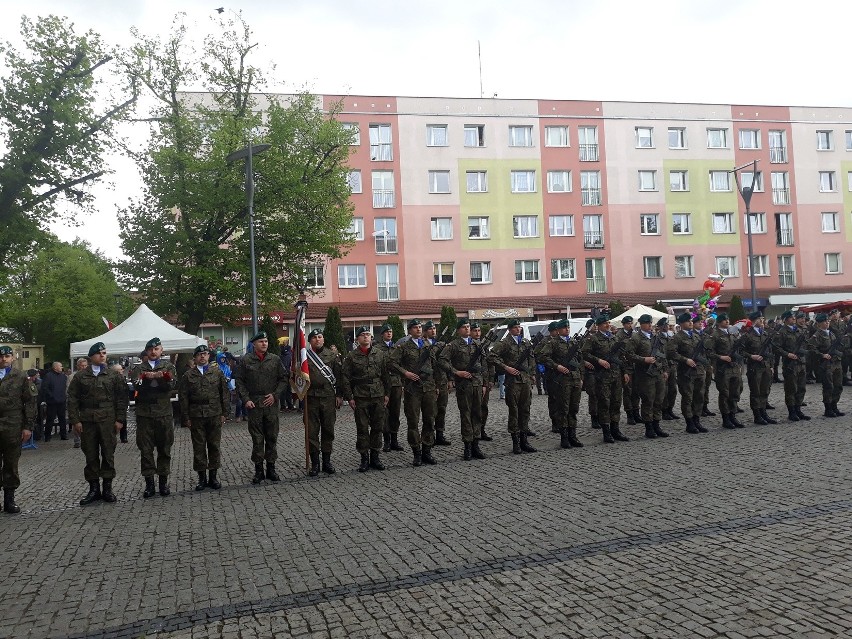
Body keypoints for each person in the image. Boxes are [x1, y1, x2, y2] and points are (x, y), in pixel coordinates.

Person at [67, 343, 128, 505]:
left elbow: (121, 399)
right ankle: (94, 489)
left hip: (108, 420)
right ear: (91, 356)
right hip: (88, 421)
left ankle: (107, 488)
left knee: (108, 453)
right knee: (91, 454)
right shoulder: (80, 377)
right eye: (99, 353)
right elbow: (72, 399)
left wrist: (120, 419)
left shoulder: (113, 375)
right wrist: (75, 420)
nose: (102, 356)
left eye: (104, 353)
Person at [236, 331, 290, 484]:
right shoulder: (246, 360)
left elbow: (283, 378)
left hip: (271, 403)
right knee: (257, 439)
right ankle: (259, 470)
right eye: (261, 342)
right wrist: (245, 399)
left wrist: (275, 395)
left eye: (266, 341)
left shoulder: (275, 359)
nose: (264, 344)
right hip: (254, 404)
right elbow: (239, 381)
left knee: (272, 437)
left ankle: (271, 468)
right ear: (254, 344)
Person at [130, 337, 178, 498]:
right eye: (150, 349)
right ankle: (149, 484)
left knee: (164, 448)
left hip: (163, 413)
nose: (153, 352)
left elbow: (172, 385)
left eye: (156, 349)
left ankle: (163, 482)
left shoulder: (169, 366)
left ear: (161, 350)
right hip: (145, 415)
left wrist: (161, 376)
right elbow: (135, 385)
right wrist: (145, 377)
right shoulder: (139, 368)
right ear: (147, 351)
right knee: (146, 450)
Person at [179, 344, 229, 491]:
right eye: (199, 354)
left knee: (214, 445)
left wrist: (225, 413)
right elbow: (183, 397)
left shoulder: (217, 373)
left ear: (209, 356)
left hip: (214, 414)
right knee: (199, 447)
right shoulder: (188, 375)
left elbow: (224, 394)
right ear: (194, 357)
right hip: (196, 415)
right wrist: (186, 417)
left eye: (205, 354)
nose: (202, 356)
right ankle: (202, 478)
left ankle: (213, 477)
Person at [389, 319, 438, 467]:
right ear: (409, 330)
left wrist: (436, 384)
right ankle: (416, 452)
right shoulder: (403, 347)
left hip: (428, 387)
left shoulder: (428, 345)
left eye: (420, 327)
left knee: (429, 420)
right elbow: (391, 363)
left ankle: (427, 451)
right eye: (415, 327)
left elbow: (434, 365)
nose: (418, 329)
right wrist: (406, 373)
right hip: (413, 389)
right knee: (413, 421)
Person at [341, 327, 389, 472]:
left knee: (377, 427)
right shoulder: (351, 356)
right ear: (357, 339)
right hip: (360, 395)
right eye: (362, 335)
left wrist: (387, 394)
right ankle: (364, 458)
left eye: (368, 335)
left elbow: (386, 375)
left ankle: (375, 456)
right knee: (362, 428)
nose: (366, 337)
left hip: (378, 395)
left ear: (371, 338)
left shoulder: (379, 354)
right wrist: (349, 397)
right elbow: (345, 377)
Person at [439, 319, 486, 461]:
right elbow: (442, 360)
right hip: (463, 385)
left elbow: (484, 364)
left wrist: (485, 383)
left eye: (468, 327)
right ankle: (467, 446)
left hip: (477, 383)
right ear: (459, 330)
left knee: (477, 414)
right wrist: (456, 372)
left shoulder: (478, 344)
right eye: (464, 327)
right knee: (466, 415)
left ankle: (476, 444)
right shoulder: (453, 345)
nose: (467, 329)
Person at [489, 319, 537, 454]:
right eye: (515, 327)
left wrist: (532, 373)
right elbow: (491, 356)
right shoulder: (504, 343)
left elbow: (531, 358)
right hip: (513, 382)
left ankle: (524, 440)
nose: (518, 329)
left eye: (519, 327)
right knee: (514, 412)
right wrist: (506, 367)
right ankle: (516, 442)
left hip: (525, 380)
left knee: (525, 410)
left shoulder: (525, 342)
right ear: (510, 329)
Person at [581, 315, 629, 444]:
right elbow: (584, 353)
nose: (608, 325)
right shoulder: (593, 338)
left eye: (608, 322)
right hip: (602, 377)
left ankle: (616, 429)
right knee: (604, 403)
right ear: (599, 325)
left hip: (616, 375)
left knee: (616, 402)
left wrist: (624, 372)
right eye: (605, 323)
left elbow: (621, 356)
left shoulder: (614, 337)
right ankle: (606, 431)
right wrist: (598, 360)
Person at [0, 345, 36, 513]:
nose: (3, 359)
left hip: (13, 424)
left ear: (12, 358)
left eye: (7, 356)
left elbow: (29, 402)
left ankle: (9, 500)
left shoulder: (20, 376)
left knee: (11, 463)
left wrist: (28, 427)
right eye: (1, 356)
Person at [537, 318, 584, 448]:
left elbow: (580, 361)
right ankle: (564, 438)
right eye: (564, 328)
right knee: (563, 408)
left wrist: (581, 377)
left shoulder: (574, 342)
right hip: (562, 380)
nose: (567, 329)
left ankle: (572, 435)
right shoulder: (553, 343)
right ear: (558, 330)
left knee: (574, 408)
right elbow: (542, 357)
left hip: (574, 379)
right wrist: (556, 366)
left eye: (568, 327)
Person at [304, 329, 343, 476]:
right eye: (314, 338)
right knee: (312, 431)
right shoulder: (304, 357)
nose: (317, 340)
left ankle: (327, 461)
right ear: (310, 341)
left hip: (328, 397)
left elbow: (339, 377)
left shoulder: (332, 356)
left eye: (320, 337)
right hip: (311, 397)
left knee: (328, 429)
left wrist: (339, 395)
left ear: (323, 340)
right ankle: (315, 463)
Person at [627, 314, 669, 439]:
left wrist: (665, 370)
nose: (650, 325)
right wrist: (643, 359)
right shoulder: (635, 338)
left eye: (651, 323)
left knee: (659, 400)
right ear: (641, 324)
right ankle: (649, 427)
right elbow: (628, 354)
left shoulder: (655, 337)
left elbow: (662, 354)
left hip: (658, 373)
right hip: (645, 374)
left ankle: (657, 425)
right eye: (647, 323)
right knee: (648, 401)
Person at [706, 314, 745, 429]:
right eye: (724, 320)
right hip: (722, 368)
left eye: (728, 319)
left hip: (733, 367)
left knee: (734, 392)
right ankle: (726, 418)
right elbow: (709, 352)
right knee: (724, 393)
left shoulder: (731, 333)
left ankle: (733, 415)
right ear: (718, 322)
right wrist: (720, 357)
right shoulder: (714, 335)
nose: (727, 321)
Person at [671, 313, 708, 434]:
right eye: (688, 321)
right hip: (685, 373)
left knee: (699, 396)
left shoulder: (696, 336)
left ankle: (697, 420)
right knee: (688, 397)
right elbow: (672, 353)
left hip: (698, 371)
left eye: (691, 321)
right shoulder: (677, 337)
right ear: (681, 324)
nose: (691, 323)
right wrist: (685, 360)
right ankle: (689, 423)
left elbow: (703, 353)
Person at [739, 312, 777, 425]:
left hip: (765, 366)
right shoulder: (747, 335)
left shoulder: (764, 334)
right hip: (754, 368)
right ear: (755, 321)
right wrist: (751, 356)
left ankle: (764, 413)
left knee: (765, 391)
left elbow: (770, 351)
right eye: (760, 319)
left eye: (763, 318)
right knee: (756, 392)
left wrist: (771, 366)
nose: (763, 321)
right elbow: (740, 351)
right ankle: (757, 415)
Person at [773, 311, 810, 422]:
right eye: (791, 317)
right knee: (791, 388)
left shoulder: (798, 330)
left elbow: (805, 344)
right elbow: (776, 348)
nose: (793, 319)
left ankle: (798, 409)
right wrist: (787, 354)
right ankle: (792, 412)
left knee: (801, 388)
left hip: (801, 362)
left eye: (793, 317)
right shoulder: (782, 332)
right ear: (785, 319)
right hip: (790, 364)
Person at [808, 313, 845, 417]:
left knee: (838, 386)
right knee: (829, 386)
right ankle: (828, 409)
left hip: (836, 363)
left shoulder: (830, 333)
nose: (827, 323)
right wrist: (822, 355)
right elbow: (811, 348)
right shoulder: (817, 335)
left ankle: (834, 406)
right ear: (819, 323)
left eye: (828, 321)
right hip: (827, 364)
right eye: (825, 321)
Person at [374, 324, 404, 453]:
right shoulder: (376, 348)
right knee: (384, 413)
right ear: (382, 335)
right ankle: (386, 440)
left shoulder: (397, 348)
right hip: (383, 384)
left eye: (390, 332)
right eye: (386, 332)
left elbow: (401, 365)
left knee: (395, 412)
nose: (389, 334)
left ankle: (394, 439)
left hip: (396, 383)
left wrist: (403, 383)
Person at [424, 321, 451, 446]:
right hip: (430, 382)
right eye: (430, 329)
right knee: (430, 411)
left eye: (434, 328)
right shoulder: (423, 345)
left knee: (442, 409)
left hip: (443, 380)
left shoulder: (442, 345)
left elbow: (448, 363)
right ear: (425, 332)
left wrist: (450, 379)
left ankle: (440, 434)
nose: (433, 331)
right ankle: (430, 436)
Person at [470, 323, 495, 442]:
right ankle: (473, 432)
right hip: (473, 382)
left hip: (484, 381)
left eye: (479, 330)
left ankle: (482, 429)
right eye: (475, 330)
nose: (477, 333)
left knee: (484, 407)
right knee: (473, 408)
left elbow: (490, 364)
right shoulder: (468, 346)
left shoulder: (484, 346)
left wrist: (490, 380)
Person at [534, 322, 560, 433]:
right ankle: (555, 422)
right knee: (553, 398)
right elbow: (537, 354)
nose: (557, 332)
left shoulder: (560, 340)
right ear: (551, 331)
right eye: (555, 330)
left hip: (561, 373)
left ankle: (562, 421)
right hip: (551, 372)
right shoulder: (545, 341)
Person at [616, 316, 640, 425]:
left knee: (636, 391)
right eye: (628, 323)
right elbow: (619, 354)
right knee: (628, 391)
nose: (630, 325)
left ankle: (636, 412)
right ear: (623, 324)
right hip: (626, 366)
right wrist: (624, 370)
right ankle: (629, 414)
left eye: (631, 323)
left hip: (636, 366)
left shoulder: (635, 334)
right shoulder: (619, 336)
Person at [39, 362, 68, 442]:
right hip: (52, 402)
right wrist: (51, 396)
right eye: (60, 366)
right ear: (55, 367)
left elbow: (64, 387)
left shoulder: (63, 376)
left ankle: (63, 435)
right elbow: (45, 388)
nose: (62, 367)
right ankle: (47, 436)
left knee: (62, 419)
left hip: (62, 401)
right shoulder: (48, 376)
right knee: (50, 419)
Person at [659, 319, 680, 421]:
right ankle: (664, 410)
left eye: (667, 325)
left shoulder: (671, 337)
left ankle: (670, 409)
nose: (666, 327)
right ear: (660, 326)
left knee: (673, 390)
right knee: (665, 390)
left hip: (672, 365)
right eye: (664, 325)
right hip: (664, 366)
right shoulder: (658, 338)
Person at [581, 319, 600, 428]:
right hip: (589, 371)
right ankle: (594, 417)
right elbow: (577, 355)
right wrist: (584, 362)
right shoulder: (584, 339)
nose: (596, 327)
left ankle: (601, 415)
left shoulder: (598, 338)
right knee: (593, 394)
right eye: (593, 325)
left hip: (599, 369)